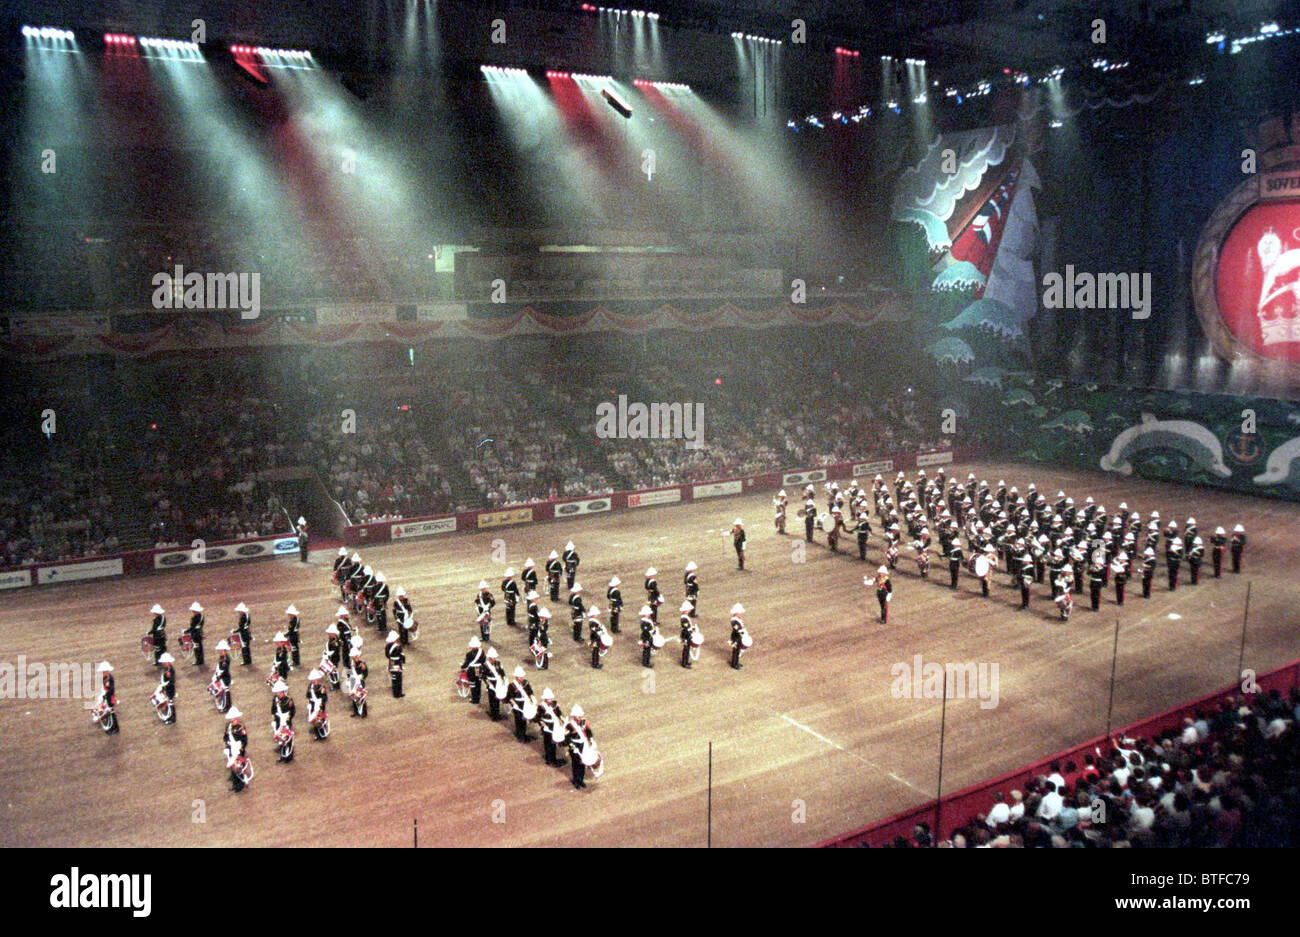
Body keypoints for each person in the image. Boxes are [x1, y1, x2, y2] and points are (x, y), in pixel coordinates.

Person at [565, 705, 595, 790]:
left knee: (582, 763)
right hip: (575, 746)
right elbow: (567, 737)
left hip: (583, 745)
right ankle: (576, 780)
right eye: (578, 716)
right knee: (576, 764)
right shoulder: (570, 725)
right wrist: (571, 745)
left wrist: (591, 740)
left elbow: (588, 732)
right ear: (574, 716)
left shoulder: (583, 722)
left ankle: (581, 780)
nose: (580, 717)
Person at [506, 666, 536, 742]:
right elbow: (509, 697)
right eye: (520, 677)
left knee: (524, 719)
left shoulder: (525, 683)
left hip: (525, 704)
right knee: (519, 720)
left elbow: (530, 692)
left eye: (522, 677)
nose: (522, 678)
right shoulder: (512, 686)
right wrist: (514, 704)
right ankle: (520, 736)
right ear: (516, 677)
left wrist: (532, 698)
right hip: (517, 705)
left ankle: (523, 734)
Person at [224, 708, 250, 792]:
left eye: (233, 719)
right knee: (233, 766)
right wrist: (227, 744)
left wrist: (239, 749)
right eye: (231, 719)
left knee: (238, 768)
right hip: (231, 749)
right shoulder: (229, 726)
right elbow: (226, 736)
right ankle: (234, 780)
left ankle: (239, 785)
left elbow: (244, 741)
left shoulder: (241, 729)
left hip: (238, 751)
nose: (232, 721)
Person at [537, 689, 566, 766]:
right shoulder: (541, 707)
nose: (550, 700)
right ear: (545, 699)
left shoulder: (554, 704)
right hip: (547, 727)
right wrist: (543, 725)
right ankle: (551, 760)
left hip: (554, 726)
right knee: (549, 743)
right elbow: (538, 718)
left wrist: (562, 719)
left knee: (551, 743)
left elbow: (559, 713)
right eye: (548, 698)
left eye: (550, 698)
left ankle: (549, 757)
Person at [271, 680, 296, 763]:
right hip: (279, 721)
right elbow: (273, 710)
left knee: (287, 738)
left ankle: (289, 756)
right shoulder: (275, 699)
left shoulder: (288, 700)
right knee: (281, 739)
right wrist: (275, 718)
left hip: (286, 721)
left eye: (278, 692)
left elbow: (292, 711)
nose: (277, 693)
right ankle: (283, 755)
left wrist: (287, 719)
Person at [482, 647, 506, 722]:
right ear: (489, 658)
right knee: (492, 700)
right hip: (491, 683)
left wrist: (504, 678)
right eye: (492, 658)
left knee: (497, 699)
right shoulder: (485, 665)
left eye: (494, 658)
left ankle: (497, 713)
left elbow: (502, 672)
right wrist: (488, 684)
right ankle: (493, 715)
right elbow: (483, 676)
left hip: (498, 683)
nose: (493, 659)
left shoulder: (498, 663)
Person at [460, 636, 485, 704]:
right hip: (479, 669)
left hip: (471, 670)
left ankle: (474, 699)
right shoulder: (482, 652)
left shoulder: (469, 654)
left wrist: (462, 666)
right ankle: (478, 698)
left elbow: (466, 663)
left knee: (473, 684)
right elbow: (483, 661)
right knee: (478, 684)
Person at [97, 662, 119, 734]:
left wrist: (106, 694)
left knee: (112, 713)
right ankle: (113, 727)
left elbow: (112, 689)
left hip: (110, 698)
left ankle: (115, 728)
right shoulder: (105, 678)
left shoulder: (109, 678)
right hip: (107, 697)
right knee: (110, 713)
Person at [306, 669, 329, 741]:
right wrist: (310, 702)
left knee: (320, 720)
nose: (314, 681)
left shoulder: (321, 688)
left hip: (319, 705)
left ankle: (323, 734)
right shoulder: (310, 687)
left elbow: (324, 698)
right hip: (313, 705)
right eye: (313, 680)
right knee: (314, 721)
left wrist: (321, 707)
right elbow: (307, 695)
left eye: (315, 679)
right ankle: (317, 734)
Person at [211, 640, 233, 714]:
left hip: (225, 678)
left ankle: (226, 706)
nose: (220, 651)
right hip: (223, 677)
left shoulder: (226, 659)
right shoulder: (222, 657)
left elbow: (224, 670)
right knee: (224, 693)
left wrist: (218, 676)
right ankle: (226, 706)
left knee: (225, 693)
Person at [156, 653, 177, 725]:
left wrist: (164, 685)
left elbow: (171, 681)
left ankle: (172, 718)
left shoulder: (169, 670)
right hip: (167, 689)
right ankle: (169, 717)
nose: (163, 664)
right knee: (168, 704)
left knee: (170, 704)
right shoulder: (167, 669)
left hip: (170, 689)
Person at [348, 647, 368, 718]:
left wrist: (361, 677)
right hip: (353, 682)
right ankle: (356, 711)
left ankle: (364, 712)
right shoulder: (351, 664)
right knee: (354, 698)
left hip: (360, 682)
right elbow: (349, 672)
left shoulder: (362, 664)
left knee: (361, 697)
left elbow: (365, 674)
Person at [728, 604, 749, 670]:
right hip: (736, 637)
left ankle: (736, 662)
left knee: (737, 650)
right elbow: (737, 629)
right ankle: (734, 664)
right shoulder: (734, 621)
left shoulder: (737, 620)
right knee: (735, 651)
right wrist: (742, 632)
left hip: (738, 637)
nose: (740, 614)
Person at [385, 630, 405, 698]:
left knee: (394, 678)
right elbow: (402, 656)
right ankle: (398, 693)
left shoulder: (387, 647)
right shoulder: (398, 647)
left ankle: (395, 693)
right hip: (397, 663)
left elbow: (387, 655)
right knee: (398, 679)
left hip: (391, 663)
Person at [234, 602, 253, 667]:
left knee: (245, 647)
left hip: (244, 633)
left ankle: (247, 661)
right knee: (245, 647)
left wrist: (236, 630)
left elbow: (242, 627)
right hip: (244, 632)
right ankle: (247, 660)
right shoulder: (245, 616)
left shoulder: (244, 617)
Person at [284, 605, 301, 669]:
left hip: (293, 636)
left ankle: (295, 661)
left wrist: (285, 634)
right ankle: (296, 661)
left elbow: (291, 630)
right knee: (295, 649)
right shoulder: (296, 619)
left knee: (294, 649)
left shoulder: (293, 621)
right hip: (295, 635)